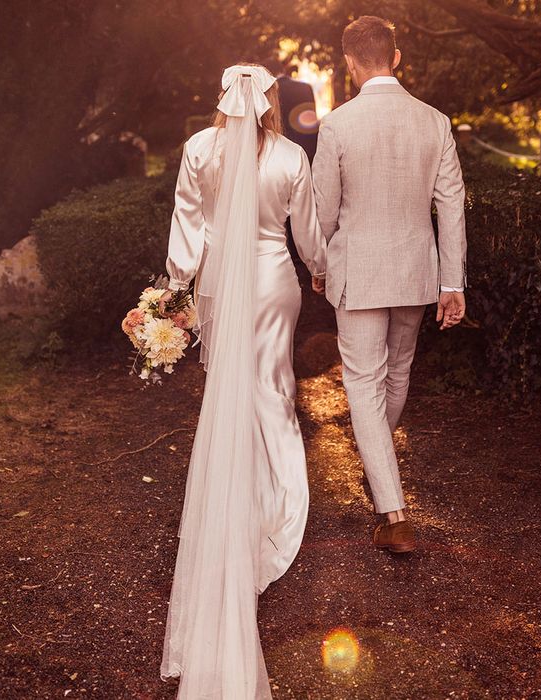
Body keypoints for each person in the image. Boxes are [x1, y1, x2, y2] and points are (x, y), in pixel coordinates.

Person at [157, 64, 326, 699]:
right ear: (271, 102)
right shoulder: (287, 155)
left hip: (219, 286)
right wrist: (320, 268)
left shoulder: (200, 149)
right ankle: (277, 499)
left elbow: (188, 225)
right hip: (274, 280)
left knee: (228, 384)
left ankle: (235, 484)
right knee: (273, 390)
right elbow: (306, 228)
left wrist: (174, 288)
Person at [312, 16, 467, 554]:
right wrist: (453, 282)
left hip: (359, 270)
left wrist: (321, 260)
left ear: (351, 62)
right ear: (396, 58)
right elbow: (450, 205)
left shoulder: (336, 125)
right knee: (396, 372)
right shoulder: (435, 122)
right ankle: (381, 475)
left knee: (362, 384)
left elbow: (324, 210)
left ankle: (394, 512)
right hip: (416, 272)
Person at [264, 57, 319, 163]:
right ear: (283, 70)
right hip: (308, 149)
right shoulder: (306, 88)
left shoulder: (270, 92)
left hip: (282, 154)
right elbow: (311, 123)